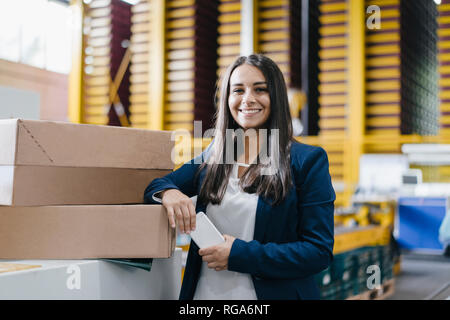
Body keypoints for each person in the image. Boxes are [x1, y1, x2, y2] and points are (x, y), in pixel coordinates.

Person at [144, 54, 335, 300]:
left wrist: (239, 255)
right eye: (238, 90)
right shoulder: (216, 156)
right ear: (227, 98)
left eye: (260, 89)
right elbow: (157, 185)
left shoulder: (307, 161)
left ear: (275, 96)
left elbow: (318, 252)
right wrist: (168, 193)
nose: (248, 99)